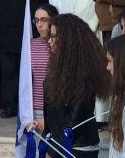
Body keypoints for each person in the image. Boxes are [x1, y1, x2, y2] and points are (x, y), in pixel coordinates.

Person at [32, 13, 109, 158]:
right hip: (59, 143)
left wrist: (52, 151)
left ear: (67, 40)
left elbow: (74, 122)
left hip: (76, 146)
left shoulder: (83, 74)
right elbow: (52, 114)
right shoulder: (58, 69)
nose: (49, 41)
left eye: (53, 36)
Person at [29, 4, 58, 121]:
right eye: (36, 20)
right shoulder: (30, 45)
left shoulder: (60, 45)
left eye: (44, 20)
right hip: (33, 109)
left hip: (54, 108)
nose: (39, 25)